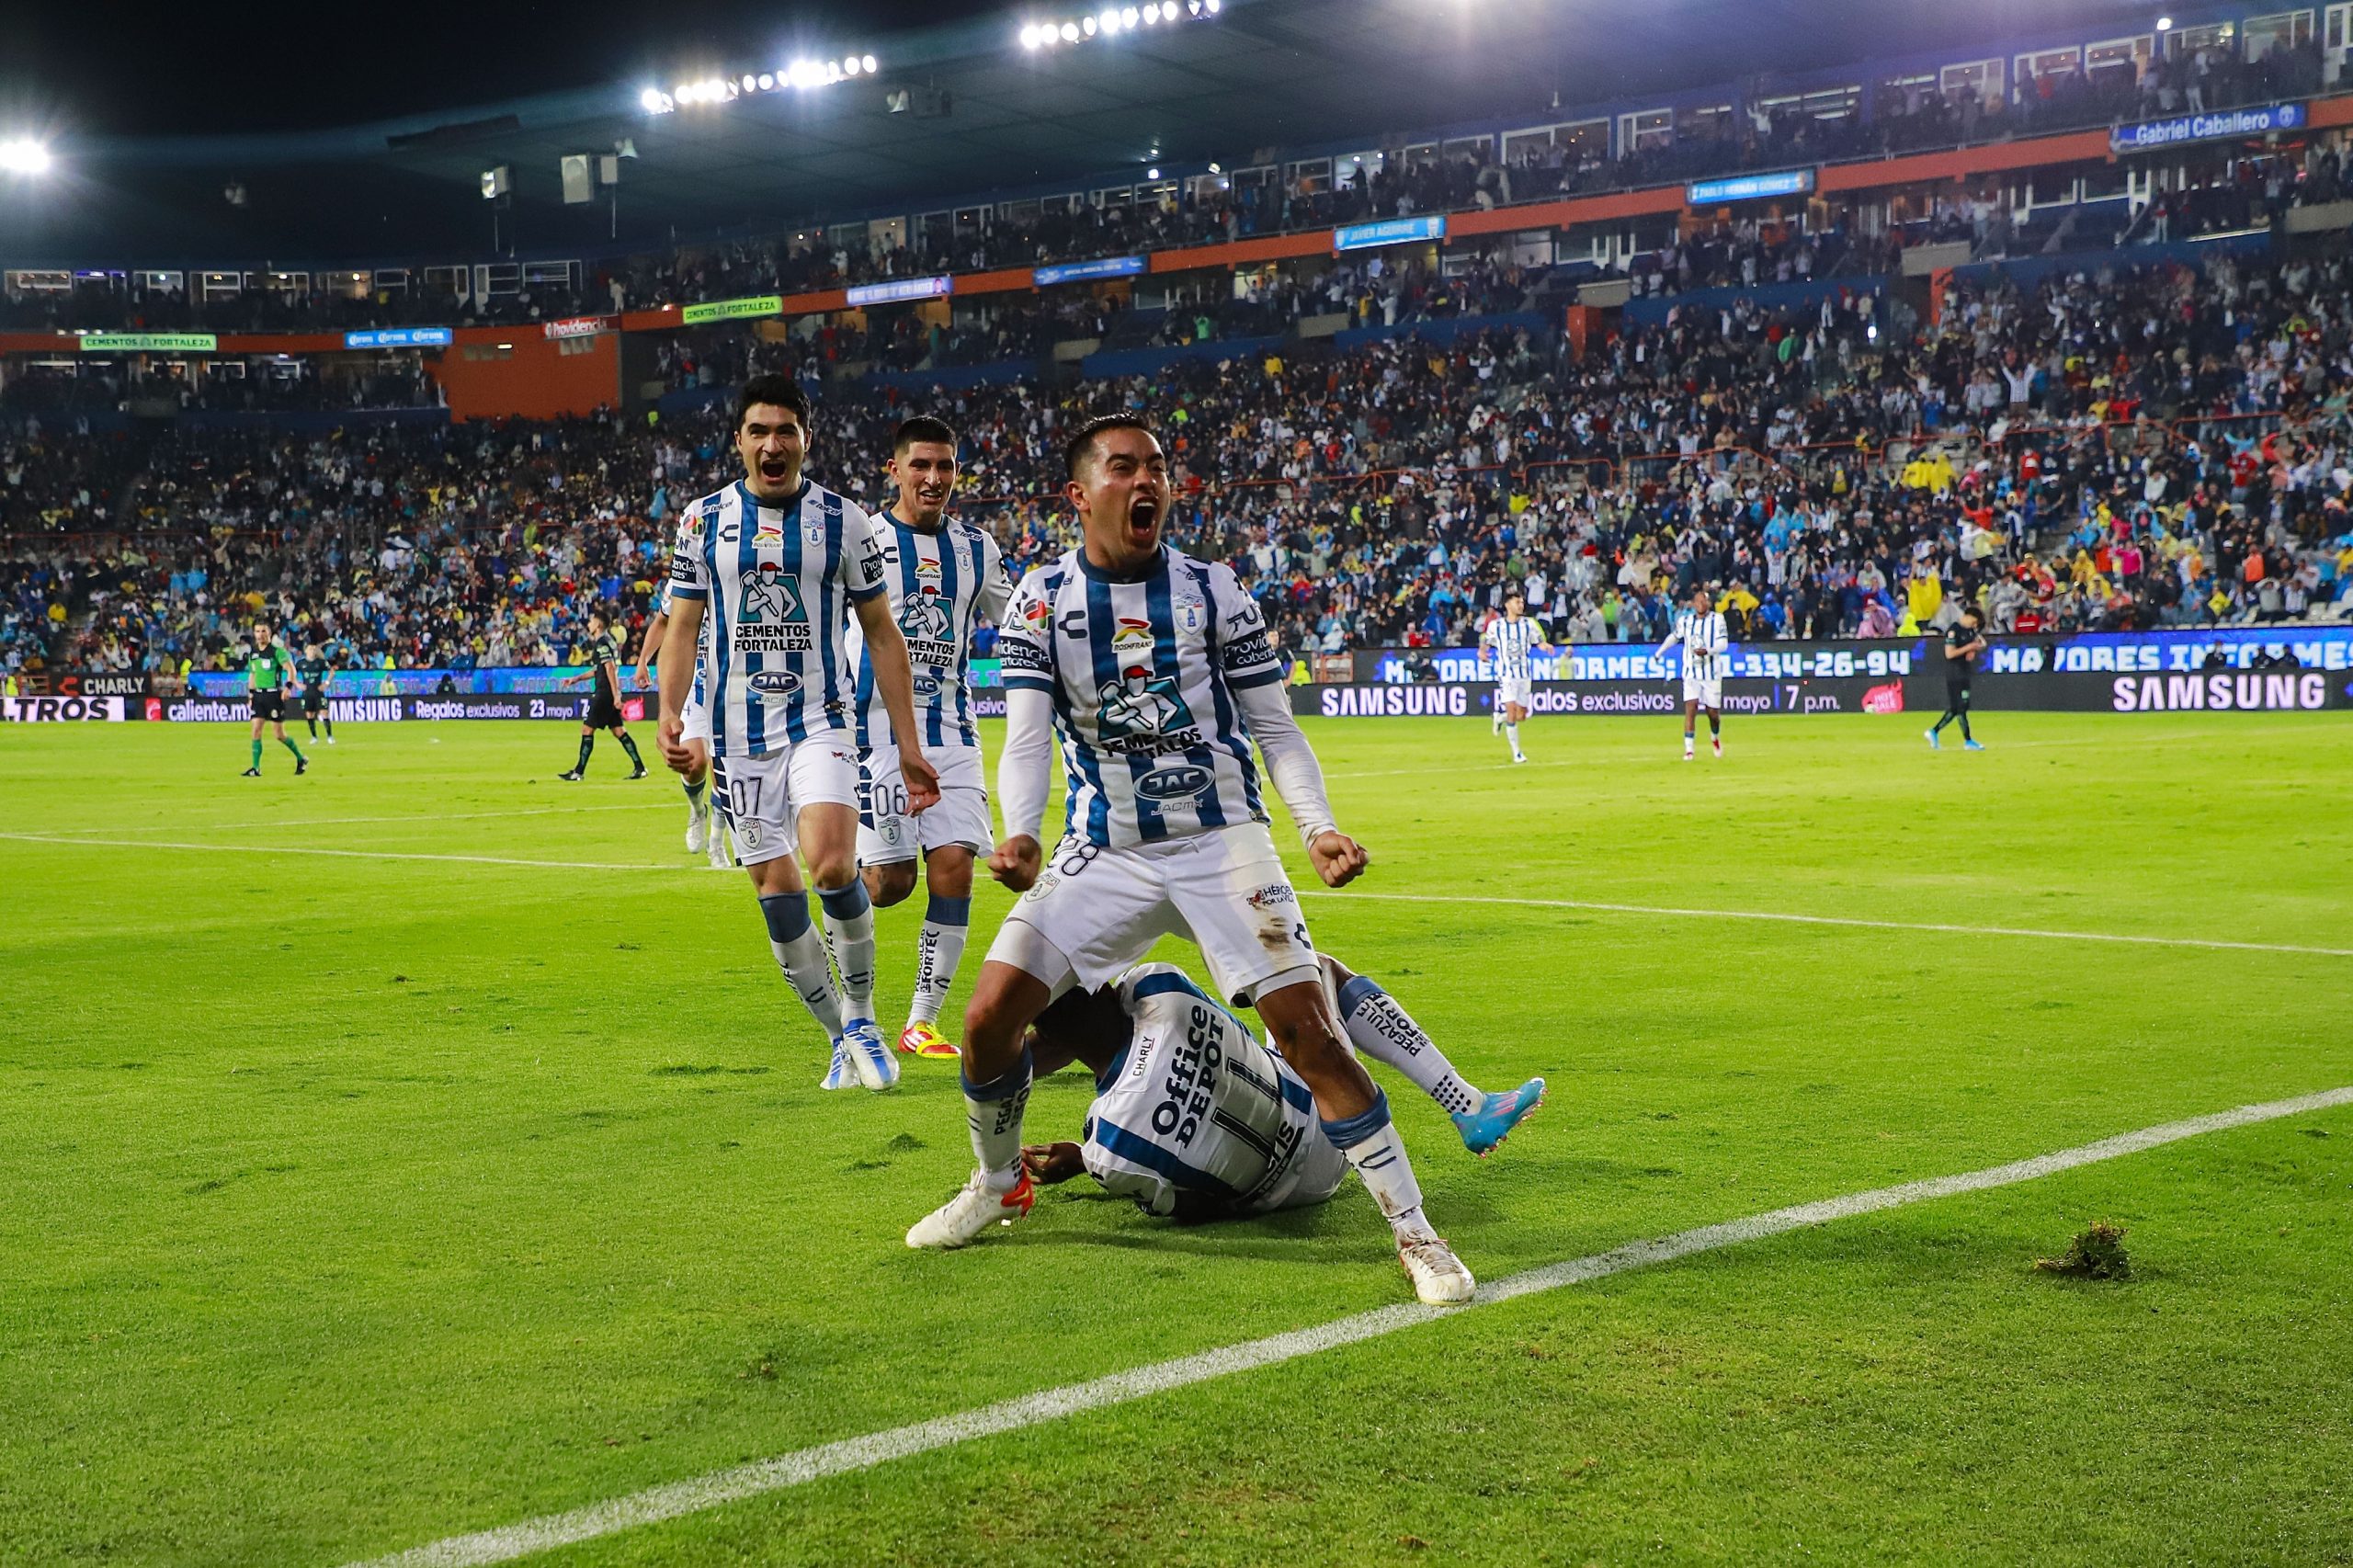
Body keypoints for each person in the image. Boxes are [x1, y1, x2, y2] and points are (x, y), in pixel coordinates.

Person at [905, 415, 1474, 1307]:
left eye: (1159, 469)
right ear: (1080, 493)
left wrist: (1317, 826)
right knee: (986, 1019)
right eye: (1124, 468)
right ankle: (997, 1179)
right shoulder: (1041, 599)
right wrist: (1021, 834)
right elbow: (1024, 737)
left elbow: (1274, 725)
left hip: (1222, 839)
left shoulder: (1214, 591)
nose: (1148, 483)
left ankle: (1417, 1234)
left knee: (1309, 1034)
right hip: (1107, 848)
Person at [656, 374, 938, 1092]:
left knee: (834, 867)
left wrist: (907, 746)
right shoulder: (701, 520)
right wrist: (670, 712)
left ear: (806, 439)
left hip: (823, 722)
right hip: (736, 735)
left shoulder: (845, 522)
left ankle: (866, 1015)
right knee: (779, 899)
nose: (772, 443)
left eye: (786, 430)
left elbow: (882, 633)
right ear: (740, 442)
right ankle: (840, 1037)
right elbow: (683, 626)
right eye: (759, 431)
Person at [1017, 955, 1546, 1220]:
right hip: (1332, 1122)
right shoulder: (1159, 987)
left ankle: (1469, 1106)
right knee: (1314, 969)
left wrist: (1085, 1158)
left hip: (1290, 1196)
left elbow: (1195, 1208)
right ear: (1102, 993)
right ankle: (1465, 1104)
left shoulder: (1106, 1143)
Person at [846, 415, 1015, 1062]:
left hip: (954, 732)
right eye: (920, 465)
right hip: (874, 735)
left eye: (944, 466)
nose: (934, 478)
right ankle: (836, 881)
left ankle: (921, 1022)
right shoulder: (859, 541)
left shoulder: (977, 549)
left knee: (954, 870)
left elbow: (1018, 616)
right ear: (894, 470)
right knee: (890, 884)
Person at [633, 583, 722, 860]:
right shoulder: (682, 581)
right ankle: (697, 810)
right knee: (695, 764)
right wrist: (643, 660)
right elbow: (663, 621)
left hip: (728, 683)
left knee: (723, 772)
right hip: (694, 685)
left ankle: (717, 846)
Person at [558, 611, 646, 780]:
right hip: (608, 692)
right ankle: (640, 768)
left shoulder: (601, 643)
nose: (589, 624)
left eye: (591, 621)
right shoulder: (609, 641)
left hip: (604, 693)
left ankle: (578, 772)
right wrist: (576, 679)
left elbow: (610, 668)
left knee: (587, 729)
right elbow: (599, 669)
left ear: (598, 624)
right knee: (619, 731)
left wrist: (616, 695)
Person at [1478, 590, 1552, 764]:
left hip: (1524, 675)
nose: (1521, 605)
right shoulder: (1496, 626)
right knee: (1512, 710)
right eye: (1517, 602)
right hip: (1506, 675)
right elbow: (1486, 642)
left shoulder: (1530, 624)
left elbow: (1539, 641)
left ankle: (1499, 717)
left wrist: (1545, 645)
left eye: (1522, 602)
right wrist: (1482, 653)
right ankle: (1517, 753)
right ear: (1507, 605)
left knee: (1521, 716)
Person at [1657, 586, 1729, 761]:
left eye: (1704, 601)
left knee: (1713, 713)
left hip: (1711, 674)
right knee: (1691, 707)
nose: (1701, 604)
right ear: (1693, 604)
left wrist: (1708, 651)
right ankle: (1689, 750)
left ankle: (1715, 737)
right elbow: (1674, 637)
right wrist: (1659, 652)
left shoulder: (1718, 620)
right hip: (1690, 672)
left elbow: (1723, 644)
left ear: (1709, 603)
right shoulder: (1686, 621)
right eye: (1698, 601)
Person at [239, 624, 307, 778]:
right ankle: (256, 768)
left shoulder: (277, 651)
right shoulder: (253, 653)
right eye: (257, 631)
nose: (260, 634)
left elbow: (290, 669)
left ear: (269, 634)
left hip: (274, 695)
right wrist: (250, 695)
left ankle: (300, 758)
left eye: (263, 631)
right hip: (258, 696)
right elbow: (253, 675)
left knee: (279, 734)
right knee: (256, 729)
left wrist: (288, 687)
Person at [1927, 603, 1987, 750]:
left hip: (1964, 671)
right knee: (1960, 708)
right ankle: (1968, 741)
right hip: (1954, 673)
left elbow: (1982, 643)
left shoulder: (1970, 631)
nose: (1974, 626)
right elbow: (1949, 654)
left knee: (1958, 708)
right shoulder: (1953, 630)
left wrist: (1975, 649)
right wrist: (1969, 648)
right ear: (1968, 616)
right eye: (1973, 622)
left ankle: (1933, 732)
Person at [295, 642, 335, 744]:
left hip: (318, 692)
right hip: (307, 692)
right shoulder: (301, 663)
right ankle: (314, 737)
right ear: (306, 651)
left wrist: (326, 683)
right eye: (310, 649)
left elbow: (332, 672)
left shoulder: (321, 662)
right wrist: (298, 684)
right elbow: (291, 674)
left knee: (324, 713)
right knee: (309, 715)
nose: (312, 651)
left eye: (314, 649)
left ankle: (330, 736)